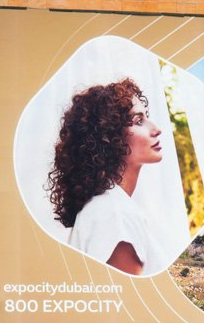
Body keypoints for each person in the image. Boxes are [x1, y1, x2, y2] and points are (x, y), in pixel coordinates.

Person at [47, 78, 165, 276]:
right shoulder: (116, 215)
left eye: (146, 117)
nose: (156, 129)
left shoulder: (105, 207)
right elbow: (127, 304)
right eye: (139, 121)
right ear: (109, 138)